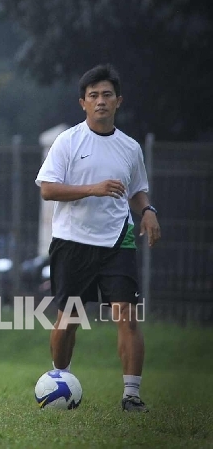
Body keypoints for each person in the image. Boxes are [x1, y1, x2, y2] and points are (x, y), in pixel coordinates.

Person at [35, 63, 161, 412]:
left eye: (107, 95)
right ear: (83, 103)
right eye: (93, 96)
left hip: (118, 239)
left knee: (128, 315)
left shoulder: (130, 148)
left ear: (118, 101)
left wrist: (148, 211)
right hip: (73, 241)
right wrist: (93, 189)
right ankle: (60, 380)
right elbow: (47, 190)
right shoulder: (68, 141)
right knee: (69, 319)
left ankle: (131, 395)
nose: (100, 101)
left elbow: (137, 191)